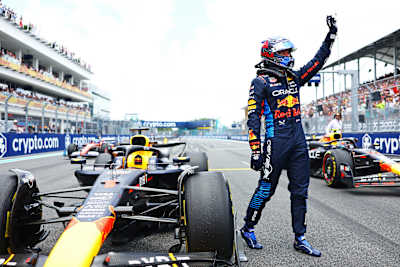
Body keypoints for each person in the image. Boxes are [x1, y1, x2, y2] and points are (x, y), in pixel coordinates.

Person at [241, 16, 338, 257]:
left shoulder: (293, 77)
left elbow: (317, 62)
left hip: (298, 141)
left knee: (300, 191)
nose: (289, 56)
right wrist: (255, 150)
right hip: (276, 142)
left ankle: (300, 238)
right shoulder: (260, 81)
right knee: (266, 189)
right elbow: (253, 118)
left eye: (289, 53)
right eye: (284, 53)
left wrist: (331, 37)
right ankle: (248, 227)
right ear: (271, 55)